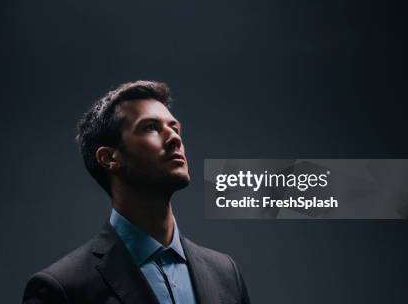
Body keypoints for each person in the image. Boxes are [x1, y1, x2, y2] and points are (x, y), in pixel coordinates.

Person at [23, 80, 250, 304]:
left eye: (174, 128)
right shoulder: (62, 289)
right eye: (151, 127)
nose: (175, 139)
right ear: (110, 158)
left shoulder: (226, 274)